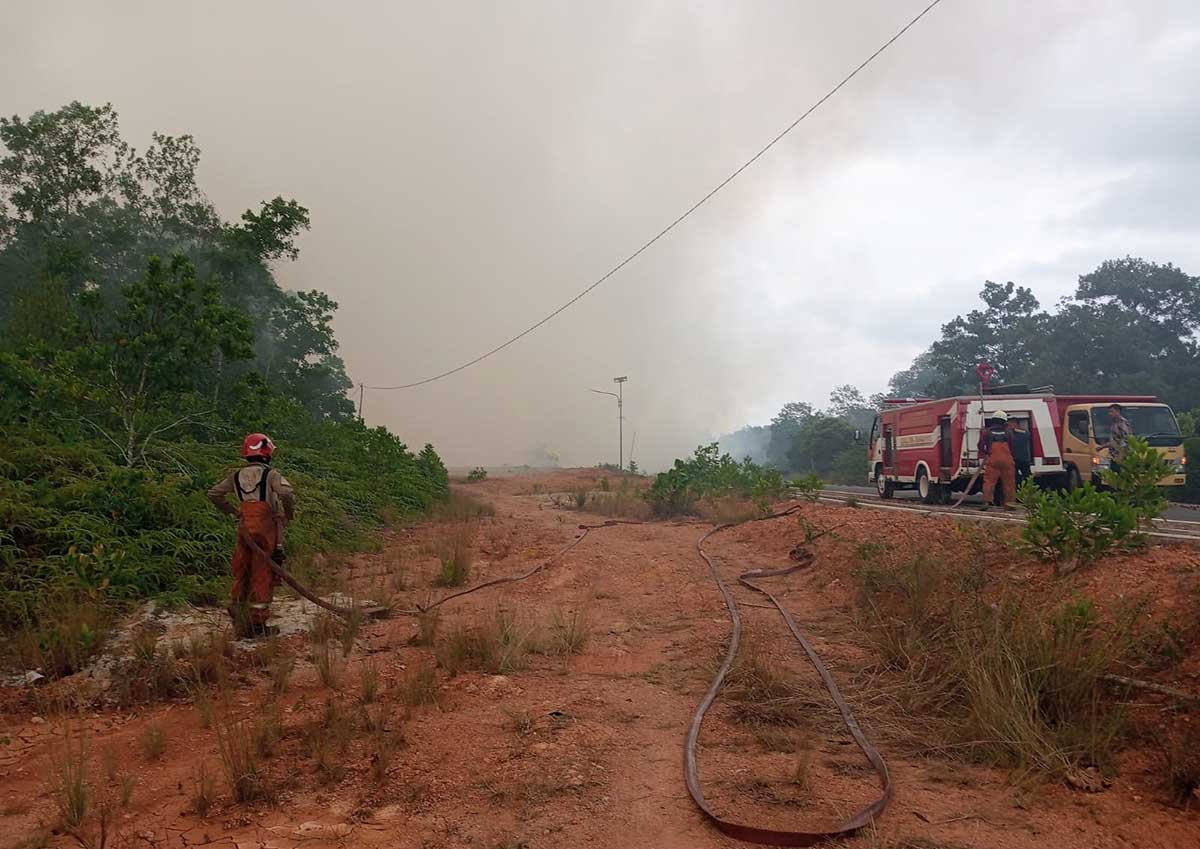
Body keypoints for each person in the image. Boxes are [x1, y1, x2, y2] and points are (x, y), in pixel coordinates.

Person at [208, 433, 296, 637]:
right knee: (263, 571)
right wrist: (287, 515)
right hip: (265, 529)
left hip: (244, 528)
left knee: (242, 569)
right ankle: (257, 624)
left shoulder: (236, 476)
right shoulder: (271, 475)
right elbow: (287, 494)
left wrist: (233, 511)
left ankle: (237, 611)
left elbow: (214, 494)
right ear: (267, 453)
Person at [978, 410, 1016, 511]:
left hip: (992, 459)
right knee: (1009, 483)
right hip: (1007, 460)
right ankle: (1010, 504)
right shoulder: (1009, 432)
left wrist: (986, 453)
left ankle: (986, 501)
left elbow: (980, 445)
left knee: (989, 481)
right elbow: (1012, 446)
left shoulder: (986, 432)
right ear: (1004, 421)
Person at [1105, 403, 1133, 474]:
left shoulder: (1122, 422)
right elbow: (1115, 439)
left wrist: (1121, 454)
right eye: (1109, 412)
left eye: (1111, 411)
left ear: (1117, 411)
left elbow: (1126, 438)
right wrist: (1103, 446)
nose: (1109, 414)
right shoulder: (1115, 423)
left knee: (1120, 477)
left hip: (1120, 456)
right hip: (1114, 455)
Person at [1008, 417, 1032, 489]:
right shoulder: (1010, 433)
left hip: (1022, 458)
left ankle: (1028, 491)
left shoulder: (1022, 432)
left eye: (1011, 424)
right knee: (1016, 477)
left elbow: (1027, 434)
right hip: (1016, 459)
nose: (1010, 426)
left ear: (1016, 424)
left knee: (1027, 476)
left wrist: (1013, 430)